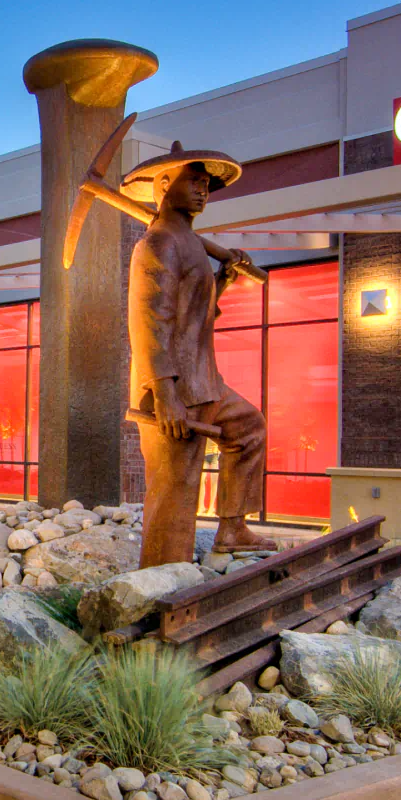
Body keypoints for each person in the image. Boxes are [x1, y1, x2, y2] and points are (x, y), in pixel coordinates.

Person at [124, 143, 272, 563]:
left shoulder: (189, 242)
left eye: (207, 185)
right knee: (175, 484)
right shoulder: (157, 243)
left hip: (205, 380)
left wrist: (222, 278)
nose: (203, 191)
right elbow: (148, 321)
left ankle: (233, 528)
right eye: (194, 181)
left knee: (248, 430)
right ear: (165, 184)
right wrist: (165, 392)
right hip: (174, 390)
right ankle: (162, 576)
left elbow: (193, 314)